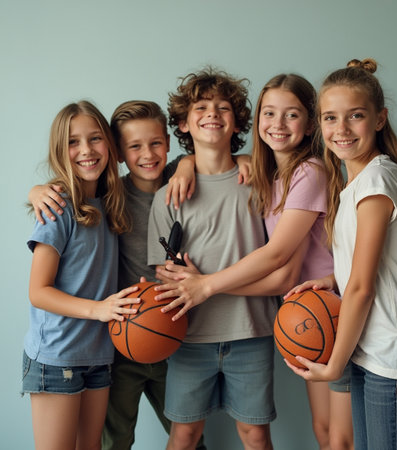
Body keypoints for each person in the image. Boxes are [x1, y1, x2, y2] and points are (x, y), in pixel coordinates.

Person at [27, 99, 251, 449]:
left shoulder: (187, 181)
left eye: (155, 143)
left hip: (175, 339)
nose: (147, 154)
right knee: (114, 440)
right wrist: (37, 190)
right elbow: (67, 189)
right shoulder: (109, 192)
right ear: (118, 152)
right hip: (118, 343)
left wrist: (206, 162)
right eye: (133, 146)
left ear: (169, 142)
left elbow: (218, 164)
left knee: (189, 436)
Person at [155, 74, 353, 450]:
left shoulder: (308, 171)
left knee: (339, 438)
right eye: (270, 113)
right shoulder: (271, 177)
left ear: (310, 124)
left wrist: (206, 285)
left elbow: (282, 267)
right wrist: (185, 163)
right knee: (326, 432)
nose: (278, 124)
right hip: (310, 313)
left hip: (334, 309)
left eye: (291, 115)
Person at [283, 58, 397, 450]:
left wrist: (334, 364)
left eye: (355, 116)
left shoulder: (377, 181)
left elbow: (362, 289)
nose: (342, 129)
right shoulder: (354, 182)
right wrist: (330, 278)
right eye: (330, 118)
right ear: (319, 125)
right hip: (368, 349)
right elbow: (362, 268)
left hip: (393, 355)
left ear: (380, 119)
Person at [147, 67, 279, 450]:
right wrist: (177, 277)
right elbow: (163, 271)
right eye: (201, 107)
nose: (212, 114)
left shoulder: (259, 181)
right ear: (184, 124)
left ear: (237, 121)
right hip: (190, 337)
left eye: (223, 107)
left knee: (255, 434)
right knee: (185, 434)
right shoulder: (168, 195)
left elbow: (277, 255)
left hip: (252, 331)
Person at [22, 100, 142, 450]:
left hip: (99, 356)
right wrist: (100, 309)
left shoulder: (110, 203)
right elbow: (38, 291)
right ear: (60, 151)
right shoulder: (58, 206)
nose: (86, 150)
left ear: (111, 145)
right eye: (73, 142)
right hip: (57, 357)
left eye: (95, 139)